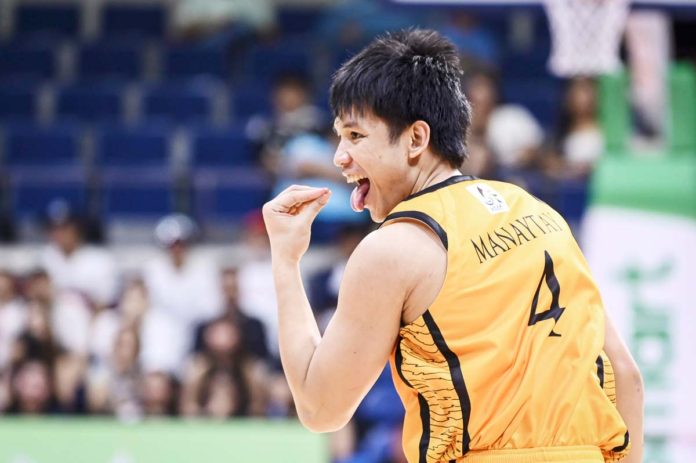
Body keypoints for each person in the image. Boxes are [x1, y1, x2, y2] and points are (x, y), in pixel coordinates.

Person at [262, 29, 643, 463]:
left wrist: (285, 260)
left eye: (354, 136)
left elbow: (320, 407)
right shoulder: (540, 213)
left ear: (416, 139)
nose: (339, 158)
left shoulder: (394, 248)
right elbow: (625, 375)